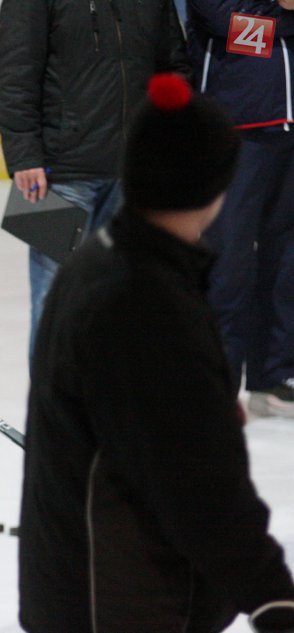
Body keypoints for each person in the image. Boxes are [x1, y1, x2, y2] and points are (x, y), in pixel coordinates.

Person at [18, 73, 294, 633]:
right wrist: (270, 593)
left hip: (89, 587)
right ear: (216, 183)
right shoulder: (145, 300)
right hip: (121, 598)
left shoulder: (107, 260)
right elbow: (195, 475)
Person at [0, 0, 192, 359]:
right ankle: (51, 397)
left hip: (134, 173)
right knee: (54, 300)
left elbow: (174, 67)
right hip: (58, 172)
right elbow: (15, 74)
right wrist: (24, 156)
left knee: (124, 302)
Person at [186, 0, 294, 419]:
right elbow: (233, 27)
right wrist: (285, 17)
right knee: (227, 261)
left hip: (288, 127)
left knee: (285, 261)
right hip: (234, 127)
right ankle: (216, 382)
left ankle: (276, 377)